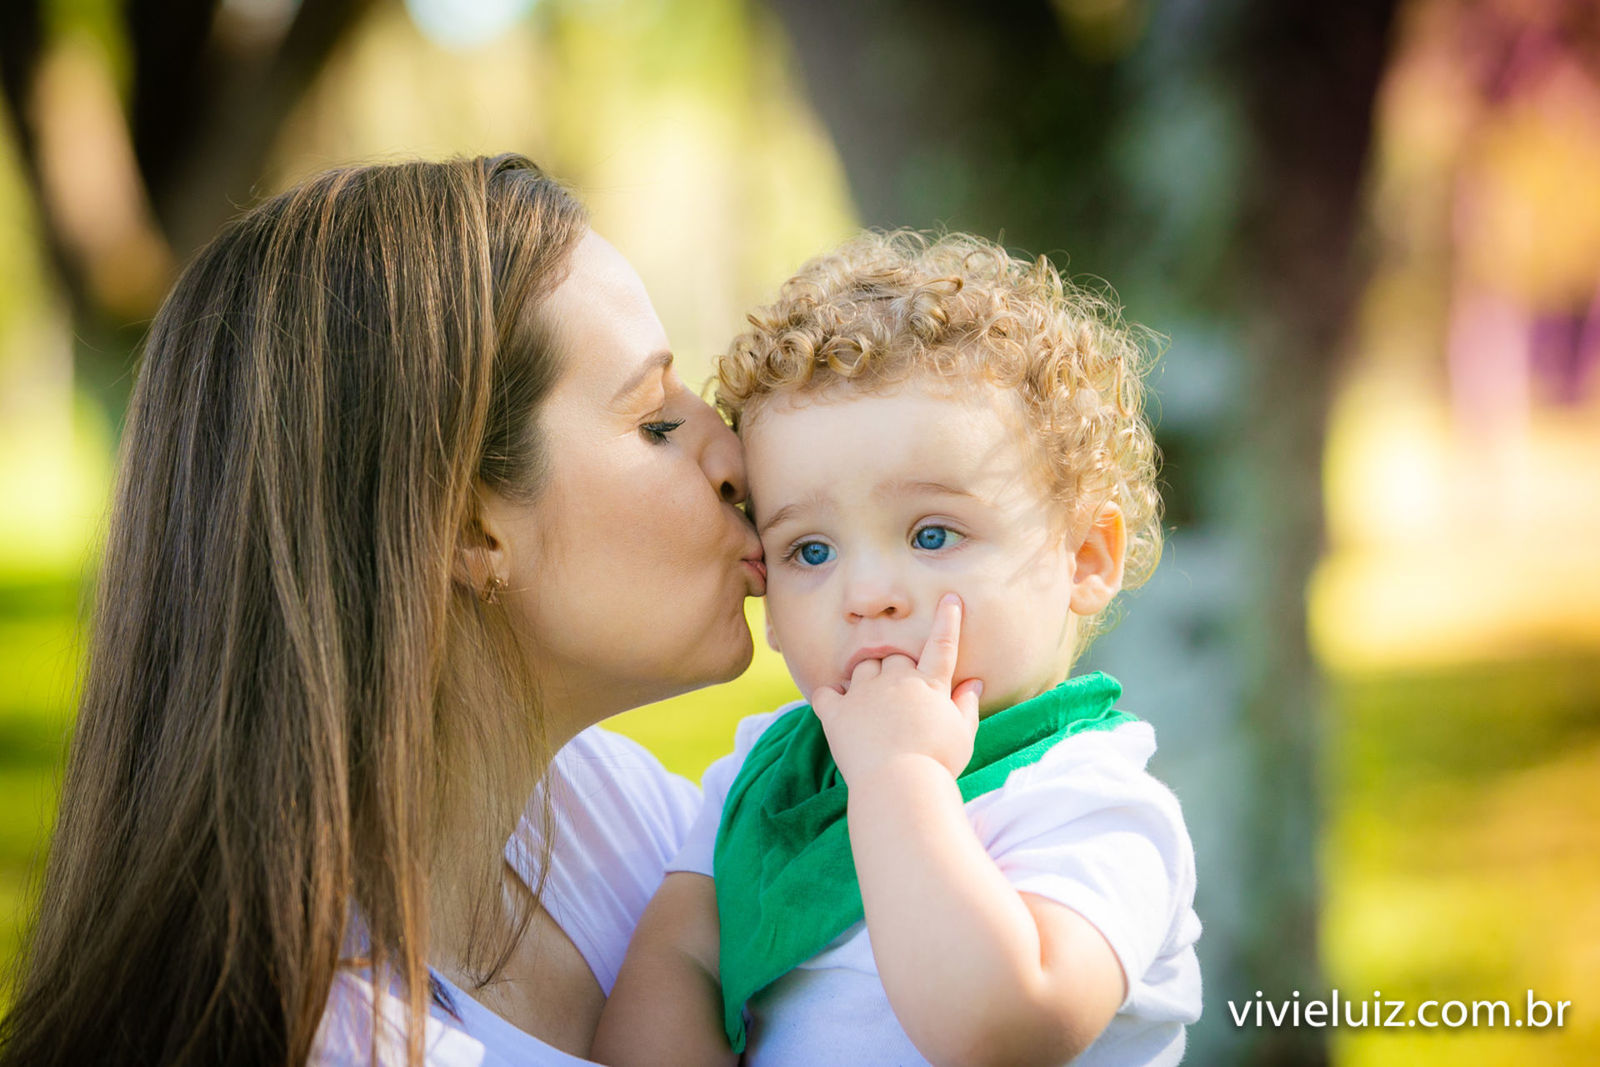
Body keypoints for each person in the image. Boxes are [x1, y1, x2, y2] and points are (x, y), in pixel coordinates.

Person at [0, 155, 767, 1066]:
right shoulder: (330, 1040)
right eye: (656, 423)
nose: (738, 454)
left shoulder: (604, 804)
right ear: (469, 521)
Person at [593, 232, 1203, 1066]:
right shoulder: (764, 777)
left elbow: (999, 1027)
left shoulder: (1091, 804)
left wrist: (898, 779)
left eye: (932, 531)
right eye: (810, 550)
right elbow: (678, 962)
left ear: (1085, 557)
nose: (867, 591)